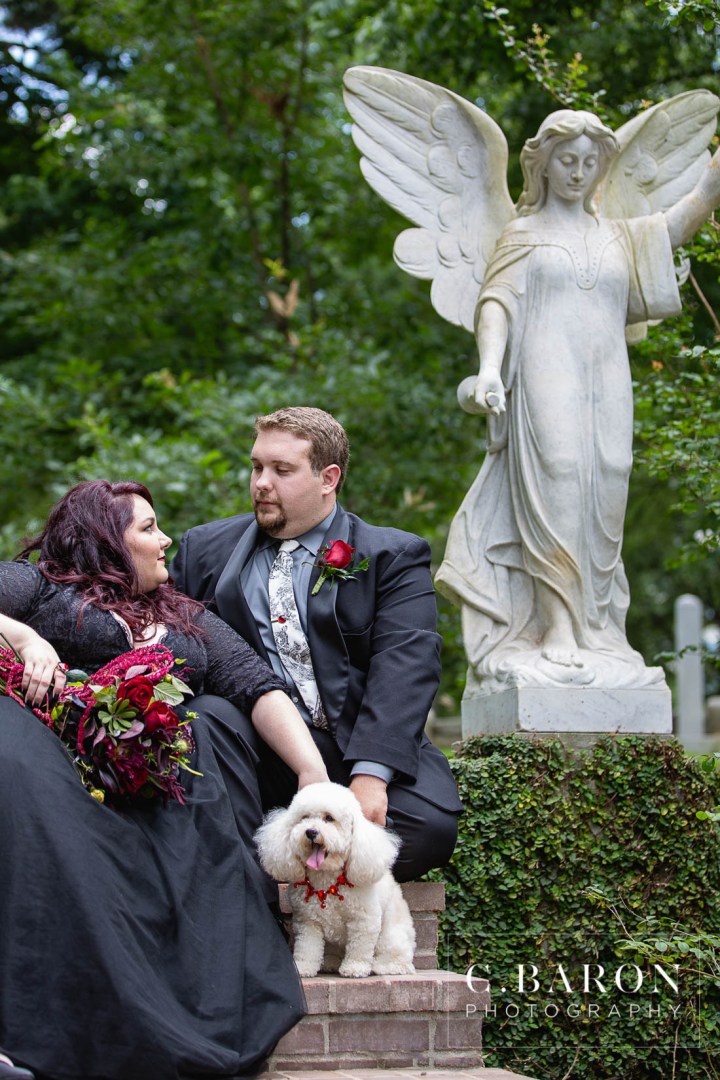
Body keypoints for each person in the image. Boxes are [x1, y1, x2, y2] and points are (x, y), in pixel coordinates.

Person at [0, 479, 330, 1080]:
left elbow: (255, 686)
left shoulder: (186, 615)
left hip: (172, 797)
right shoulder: (40, 587)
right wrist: (23, 636)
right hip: (62, 783)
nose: (165, 540)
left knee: (215, 717)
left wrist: (312, 772)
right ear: (105, 541)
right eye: (148, 528)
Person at [435, 109, 720, 690]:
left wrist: (712, 184)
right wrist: (490, 368)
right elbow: (497, 303)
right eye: (568, 160)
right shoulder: (522, 233)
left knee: (608, 481)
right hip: (544, 373)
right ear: (543, 164)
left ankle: (599, 632)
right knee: (557, 477)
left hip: (607, 379)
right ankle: (557, 628)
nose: (579, 172)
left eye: (591, 163)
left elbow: (677, 224)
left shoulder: (617, 233)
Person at [170, 406, 462, 882]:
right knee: (209, 715)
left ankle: (272, 865)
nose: (262, 482)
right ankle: (254, 877)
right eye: (257, 466)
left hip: (352, 742)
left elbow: (405, 666)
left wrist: (370, 777)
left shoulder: (391, 555)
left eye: (281, 470)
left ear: (328, 478)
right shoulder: (205, 550)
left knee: (426, 830)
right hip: (257, 750)